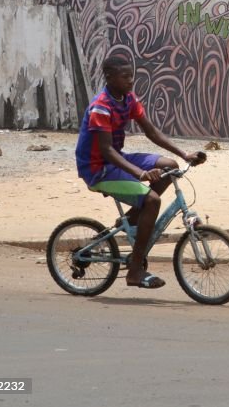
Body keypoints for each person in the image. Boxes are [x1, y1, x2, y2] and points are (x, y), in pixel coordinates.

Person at [75, 55, 206, 289]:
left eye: (131, 76)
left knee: (170, 166)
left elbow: (152, 131)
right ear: (109, 77)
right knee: (153, 202)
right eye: (125, 77)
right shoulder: (101, 107)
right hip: (98, 169)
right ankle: (135, 271)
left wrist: (183, 154)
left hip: (117, 159)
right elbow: (106, 151)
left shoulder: (128, 99)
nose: (130, 81)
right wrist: (140, 174)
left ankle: (134, 216)